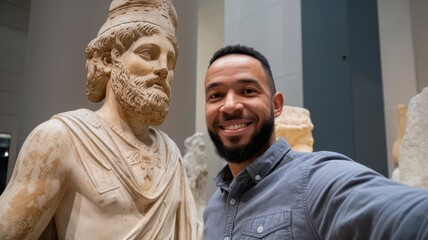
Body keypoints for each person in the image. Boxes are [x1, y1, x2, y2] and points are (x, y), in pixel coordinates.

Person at [0, 0, 201, 239]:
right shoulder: (61, 139)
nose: (163, 69)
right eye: (148, 53)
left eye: (170, 61)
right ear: (108, 61)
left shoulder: (171, 155)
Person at [203, 44, 428, 239]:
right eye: (216, 95)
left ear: (276, 105)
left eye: (248, 91)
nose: (230, 105)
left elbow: (415, 216)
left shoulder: (315, 180)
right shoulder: (214, 207)